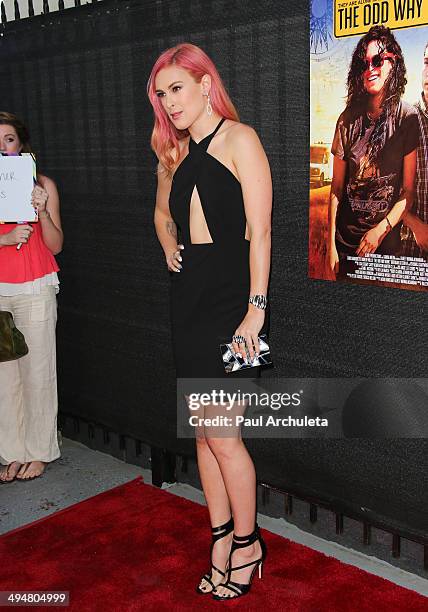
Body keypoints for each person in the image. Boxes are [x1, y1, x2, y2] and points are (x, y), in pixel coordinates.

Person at [148, 43, 272, 599]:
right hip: (188, 300)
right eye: (160, 93)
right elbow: (160, 211)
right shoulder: (172, 154)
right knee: (202, 434)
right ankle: (220, 536)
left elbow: (262, 233)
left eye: (176, 88)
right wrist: (167, 241)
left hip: (232, 305)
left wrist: (256, 309)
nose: (168, 101)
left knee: (225, 437)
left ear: (204, 85)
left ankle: (248, 544)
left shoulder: (241, 141)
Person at [326, 26, 418, 280]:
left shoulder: (406, 118)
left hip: (386, 249)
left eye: (378, 60)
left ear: (394, 63)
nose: (370, 69)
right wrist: (331, 245)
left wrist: (380, 230)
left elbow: (408, 192)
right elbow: (336, 188)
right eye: (363, 63)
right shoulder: (347, 121)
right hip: (346, 247)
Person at [0, 112, 63, 482]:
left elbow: (56, 244)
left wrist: (41, 212)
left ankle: (39, 450)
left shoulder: (44, 185)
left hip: (36, 285)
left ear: (21, 144)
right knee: (5, 374)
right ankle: (12, 453)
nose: (2, 147)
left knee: (38, 372)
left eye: (9, 139)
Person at [401, 42, 428, 260]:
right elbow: (382, 190)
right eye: (427, 62)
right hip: (412, 253)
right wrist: (416, 225)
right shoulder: (405, 120)